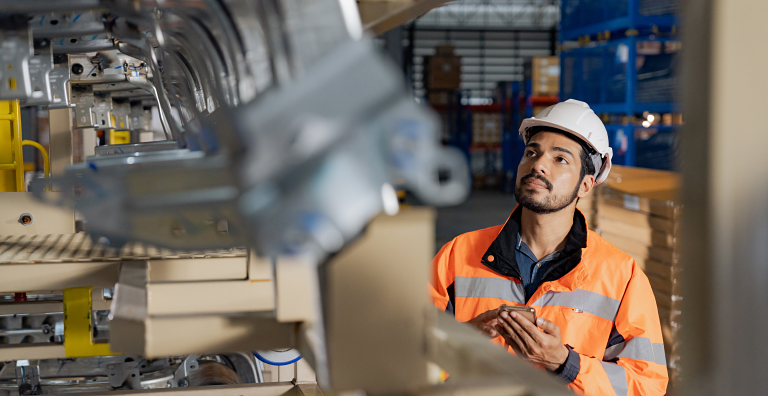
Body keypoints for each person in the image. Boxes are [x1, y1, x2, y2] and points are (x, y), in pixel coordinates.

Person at [430, 100, 668, 395]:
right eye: (532, 152)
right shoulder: (456, 256)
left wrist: (565, 363)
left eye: (560, 159)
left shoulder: (623, 278)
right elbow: (404, 354)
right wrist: (460, 342)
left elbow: (646, 386)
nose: (538, 164)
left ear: (585, 185)